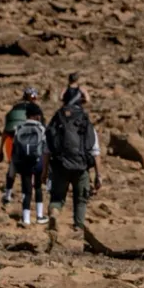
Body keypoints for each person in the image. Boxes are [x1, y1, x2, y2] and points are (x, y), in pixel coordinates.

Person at [45, 86, 100, 234]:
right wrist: (98, 175)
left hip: (60, 166)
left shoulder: (58, 118)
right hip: (81, 166)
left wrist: (44, 173)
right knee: (81, 200)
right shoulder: (83, 118)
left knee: (57, 198)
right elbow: (95, 150)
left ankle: (54, 214)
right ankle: (78, 228)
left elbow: (47, 148)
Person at [0, 87, 41, 215]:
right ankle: (27, 201)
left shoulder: (16, 108)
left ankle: (8, 195)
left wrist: (0, 150)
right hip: (33, 146)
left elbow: (6, 130)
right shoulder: (36, 110)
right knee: (29, 174)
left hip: (13, 141)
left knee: (12, 168)